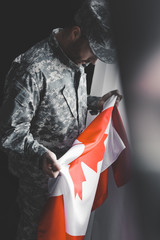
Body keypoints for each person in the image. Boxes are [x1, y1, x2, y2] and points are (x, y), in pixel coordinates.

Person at [0, 0, 122, 239]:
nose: (95, 62)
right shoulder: (32, 69)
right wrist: (40, 155)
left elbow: (61, 98)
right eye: (94, 52)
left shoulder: (75, 58)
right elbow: (10, 131)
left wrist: (96, 102)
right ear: (76, 33)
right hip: (38, 179)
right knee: (35, 231)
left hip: (65, 172)